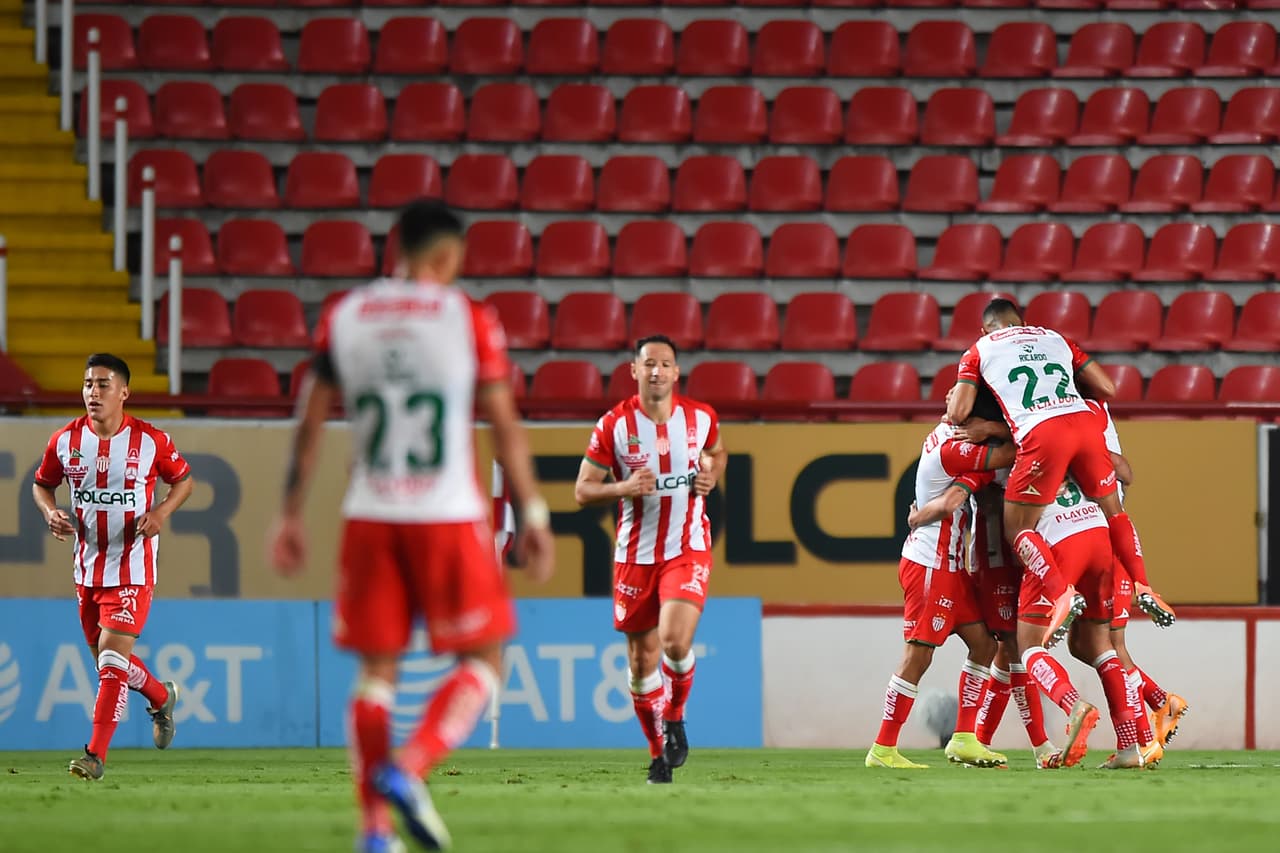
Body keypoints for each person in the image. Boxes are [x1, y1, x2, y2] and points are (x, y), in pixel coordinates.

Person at [269, 201, 554, 853]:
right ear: (449, 255)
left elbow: (309, 423)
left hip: (370, 513)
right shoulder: (465, 317)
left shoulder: (347, 316)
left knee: (376, 675)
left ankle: (373, 830)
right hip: (447, 513)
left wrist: (288, 511)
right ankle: (412, 763)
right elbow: (504, 425)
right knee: (484, 657)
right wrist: (534, 512)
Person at [946, 299, 1174, 649]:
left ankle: (1061, 594)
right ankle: (1145, 585)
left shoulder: (979, 349)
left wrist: (979, 411)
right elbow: (1108, 388)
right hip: (1083, 425)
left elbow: (959, 412)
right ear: (1022, 322)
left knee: (1017, 528)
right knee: (1116, 513)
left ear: (985, 329)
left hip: (1042, 435)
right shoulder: (1054, 337)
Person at [32, 353, 192, 781]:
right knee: (110, 664)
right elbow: (41, 484)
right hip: (87, 571)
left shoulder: (151, 441)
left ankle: (94, 756)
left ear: (124, 392)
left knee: (110, 663)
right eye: (87, 384)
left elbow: (184, 480)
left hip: (133, 568)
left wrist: (160, 513)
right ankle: (161, 697)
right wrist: (50, 511)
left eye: (103, 384)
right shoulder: (65, 441)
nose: (93, 392)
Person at [573, 335, 725, 784]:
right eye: (648, 364)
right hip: (635, 556)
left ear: (676, 373)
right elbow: (583, 490)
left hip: (687, 546)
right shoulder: (613, 425)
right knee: (642, 663)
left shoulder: (701, 418)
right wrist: (622, 488)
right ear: (634, 371)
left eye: (665, 364)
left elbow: (716, 454)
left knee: (675, 642)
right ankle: (659, 753)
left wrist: (711, 476)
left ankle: (675, 717)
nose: (656, 371)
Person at [867, 414, 1014, 770]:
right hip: (931, 564)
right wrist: (998, 431)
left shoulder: (945, 436)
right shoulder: (954, 450)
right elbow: (1009, 455)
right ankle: (883, 748)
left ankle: (963, 738)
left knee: (985, 646)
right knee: (918, 655)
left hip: (949, 566)